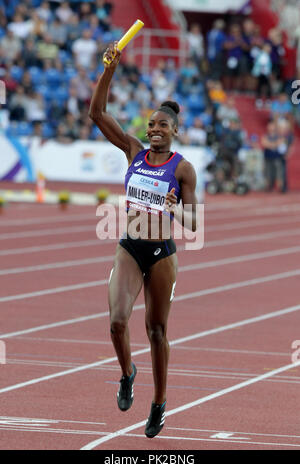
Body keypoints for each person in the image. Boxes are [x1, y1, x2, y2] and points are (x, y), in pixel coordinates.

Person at [89, 42, 198, 439]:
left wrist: (175, 208)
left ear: (174, 132)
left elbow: (195, 222)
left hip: (162, 255)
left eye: (162, 126)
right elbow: (97, 113)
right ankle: (127, 373)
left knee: (156, 331)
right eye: (151, 124)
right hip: (130, 246)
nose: (154, 130)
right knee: (117, 323)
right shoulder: (133, 150)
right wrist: (109, 70)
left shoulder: (183, 169)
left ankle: (159, 404)